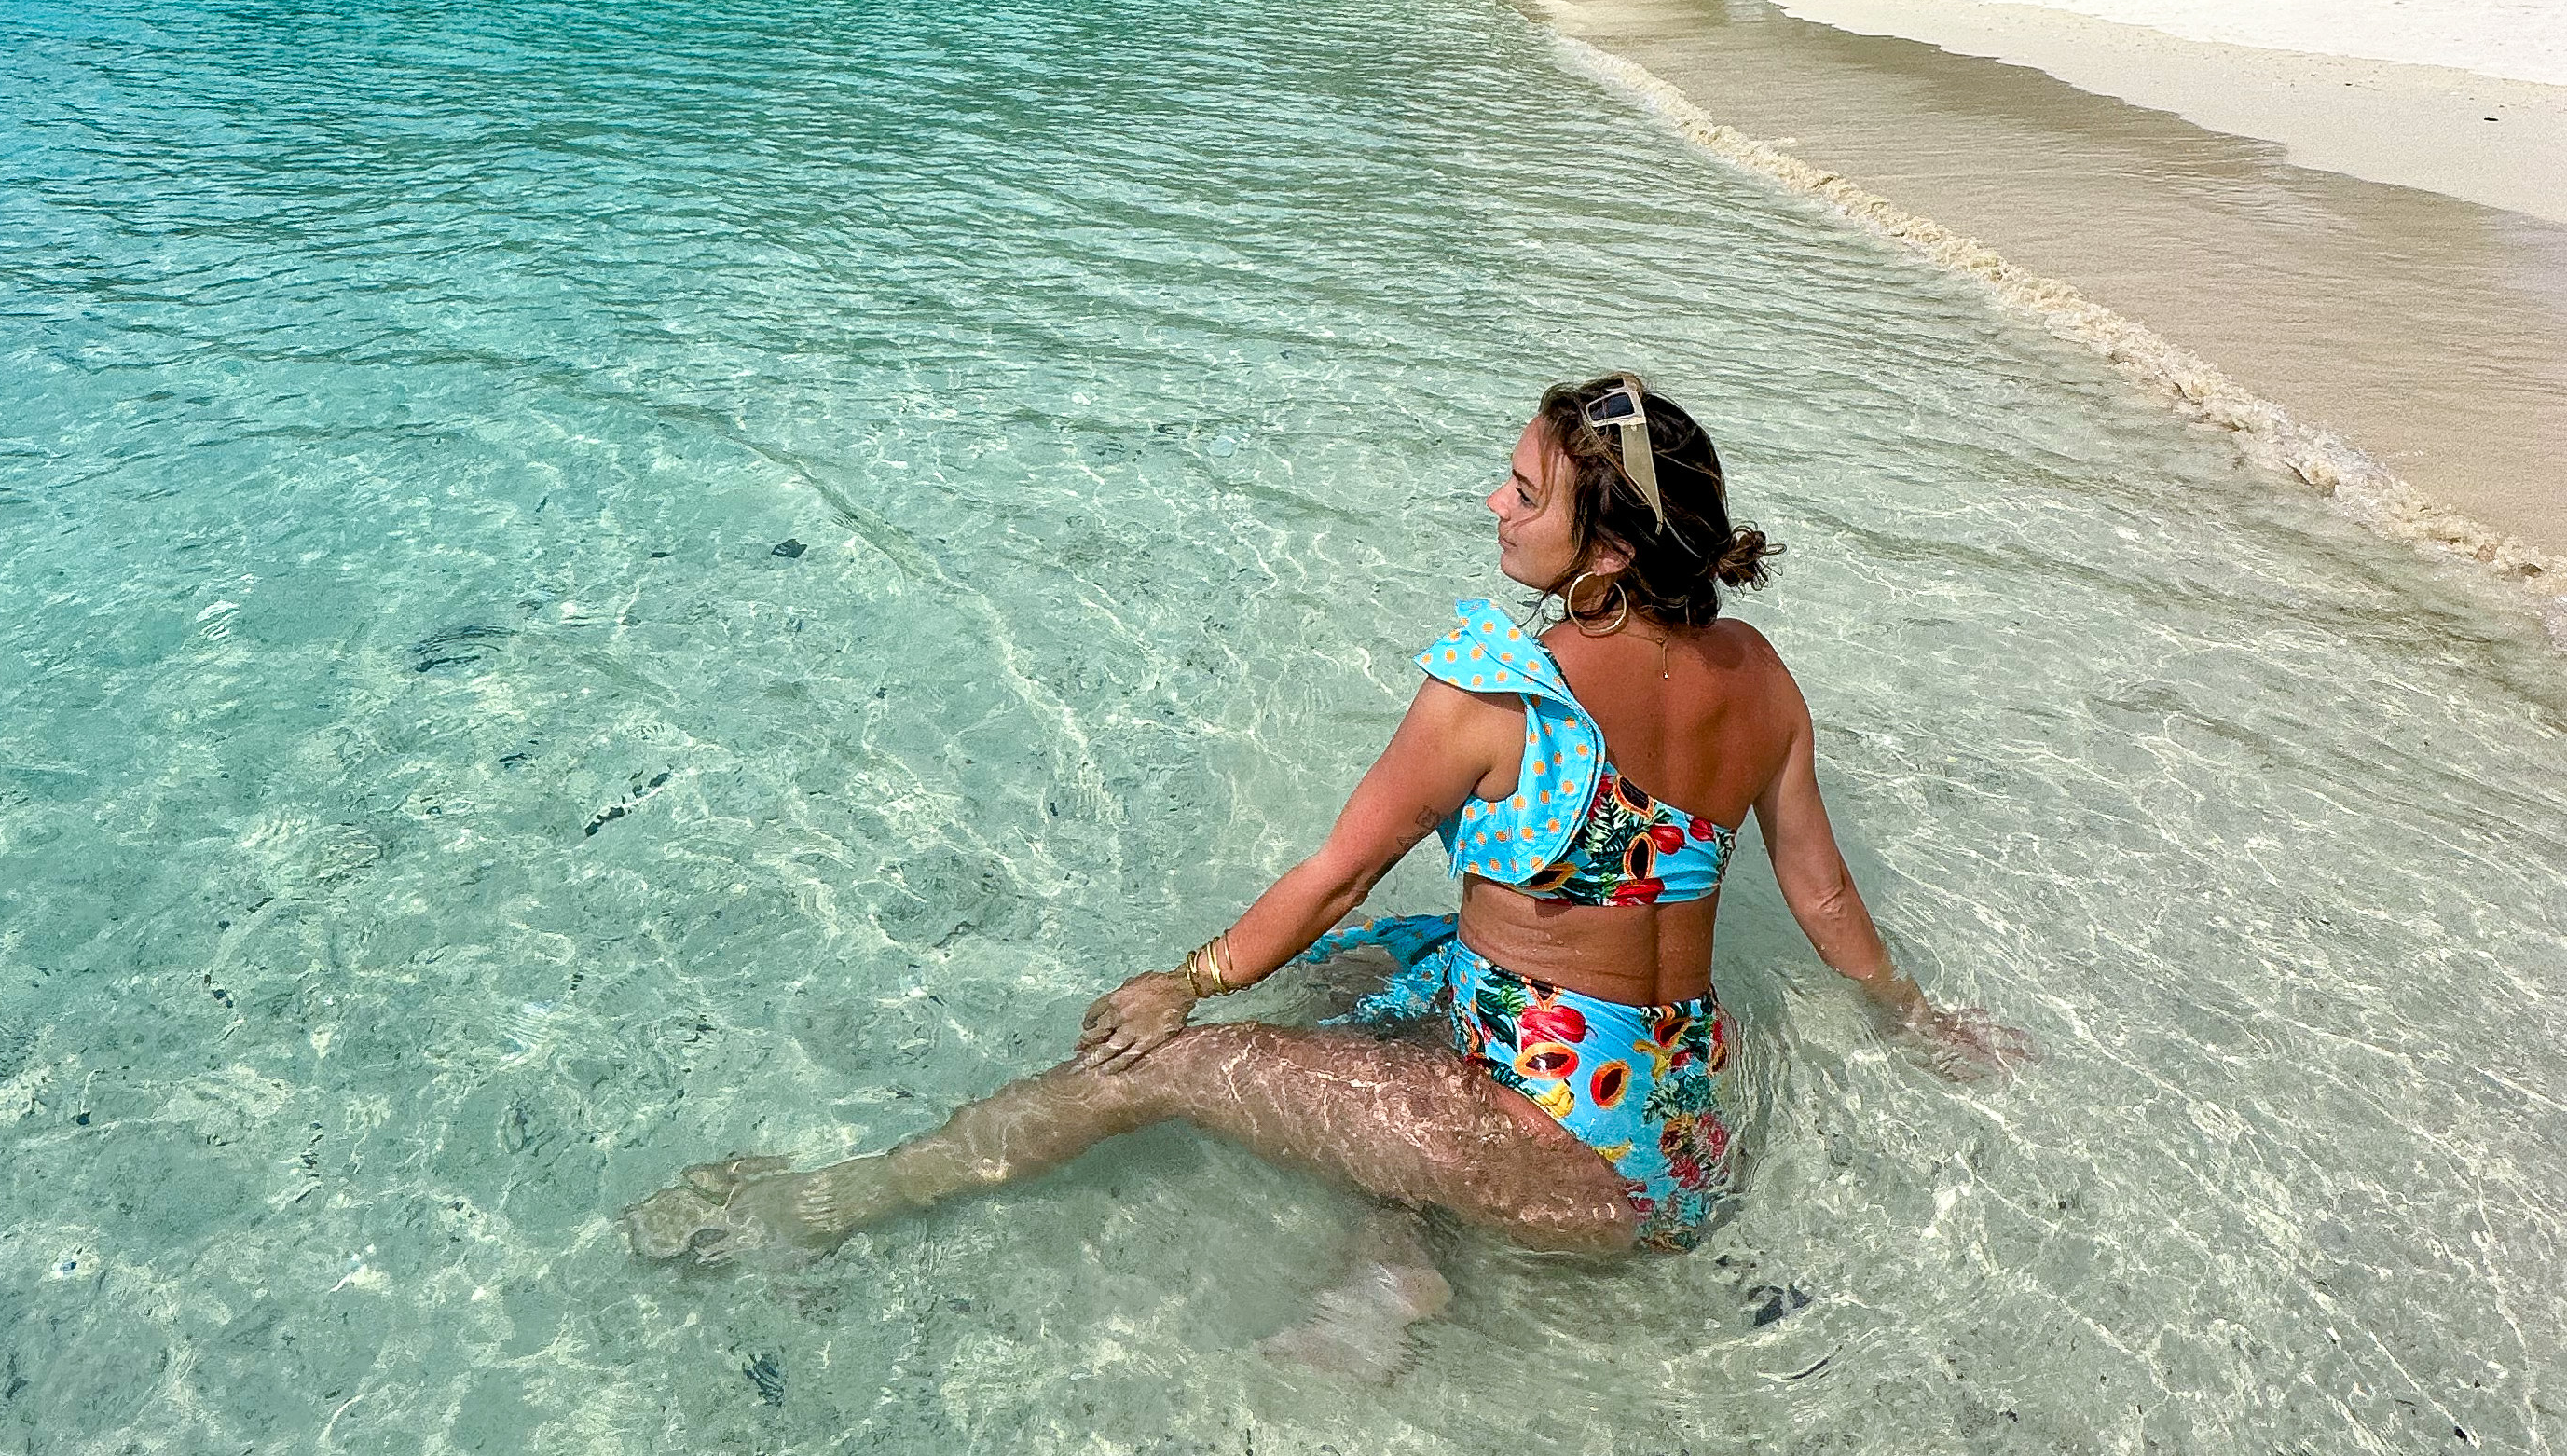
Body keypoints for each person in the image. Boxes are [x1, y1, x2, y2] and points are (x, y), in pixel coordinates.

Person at [625, 372, 2015, 1288]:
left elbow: (1335, 874)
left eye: (1523, 494)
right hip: (1683, 1138)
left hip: (1556, 1164)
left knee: (1163, 1067)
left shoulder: (1496, 693)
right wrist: (1917, 1018)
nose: (1493, 503)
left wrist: (1189, 982)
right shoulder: (1757, 675)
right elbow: (1826, 905)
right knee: (1369, 988)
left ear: (1599, 550)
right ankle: (1393, 1267)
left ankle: (825, 1209)